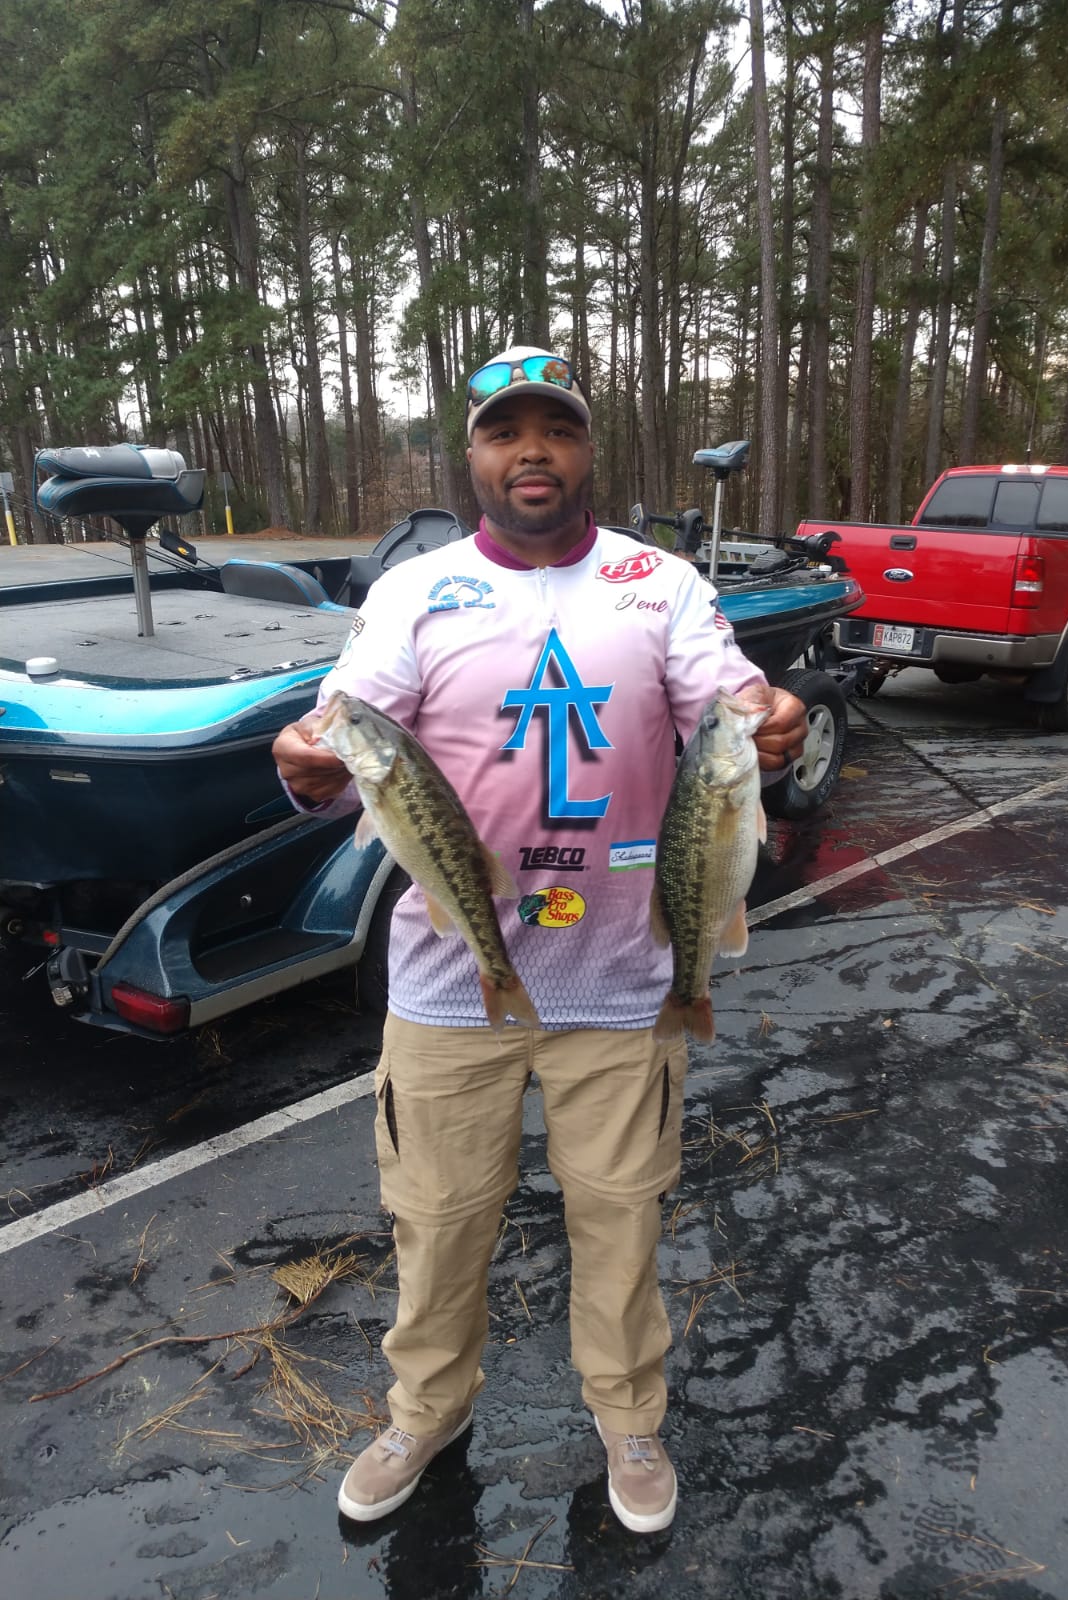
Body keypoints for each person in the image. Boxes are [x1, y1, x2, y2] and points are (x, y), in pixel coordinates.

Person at [272, 345, 808, 1534]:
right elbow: (341, 732)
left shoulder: (658, 583)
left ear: (586, 453)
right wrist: (301, 761)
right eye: (505, 433)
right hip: (448, 977)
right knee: (438, 1215)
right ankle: (427, 1408)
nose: (531, 454)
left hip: (626, 981)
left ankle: (627, 1416)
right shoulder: (415, 592)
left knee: (621, 1217)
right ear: (470, 454)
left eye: (554, 432)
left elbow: (735, 702)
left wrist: (774, 719)